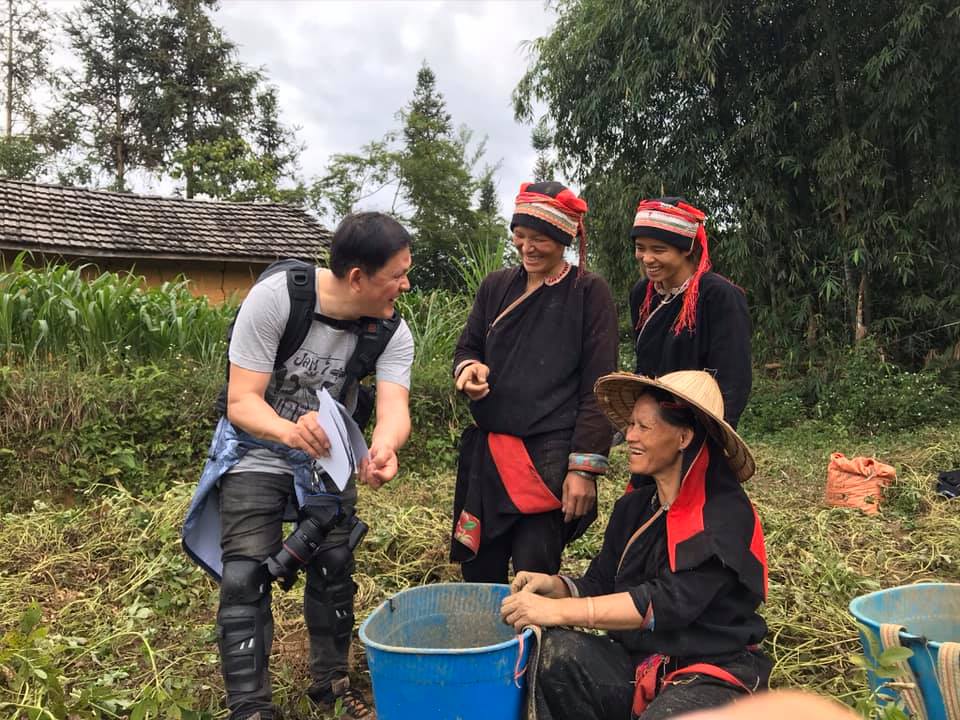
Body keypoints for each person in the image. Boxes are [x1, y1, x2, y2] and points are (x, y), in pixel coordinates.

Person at [182, 212, 415, 720]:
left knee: (334, 566)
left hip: (329, 457)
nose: (406, 284)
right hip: (258, 446)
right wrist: (291, 432)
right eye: (397, 274)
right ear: (357, 277)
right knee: (244, 575)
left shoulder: (390, 327)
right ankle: (250, 707)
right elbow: (242, 400)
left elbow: (395, 407)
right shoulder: (277, 300)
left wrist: (384, 447)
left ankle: (330, 685)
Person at [500, 370, 770, 720]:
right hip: (637, 660)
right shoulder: (635, 508)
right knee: (557, 655)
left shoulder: (723, 517)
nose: (629, 436)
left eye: (644, 427)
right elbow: (600, 582)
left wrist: (558, 612)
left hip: (710, 671)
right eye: (630, 426)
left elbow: (665, 602)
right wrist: (553, 587)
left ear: (684, 437)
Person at [451, 181, 619, 583]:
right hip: (489, 454)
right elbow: (468, 346)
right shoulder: (496, 286)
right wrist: (469, 370)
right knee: (480, 569)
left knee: (534, 570)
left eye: (540, 239)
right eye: (520, 236)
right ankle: (486, 643)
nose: (527, 247)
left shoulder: (588, 293)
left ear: (563, 239)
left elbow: (598, 386)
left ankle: (534, 646)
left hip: (547, 457)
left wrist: (583, 470)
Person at [629, 198, 752, 427]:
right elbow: (644, 366)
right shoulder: (643, 294)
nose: (646, 258)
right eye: (640, 248)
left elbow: (733, 377)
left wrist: (718, 432)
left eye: (658, 249)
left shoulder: (718, 296)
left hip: (702, 421)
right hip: (655, 424)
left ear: (686, 249)